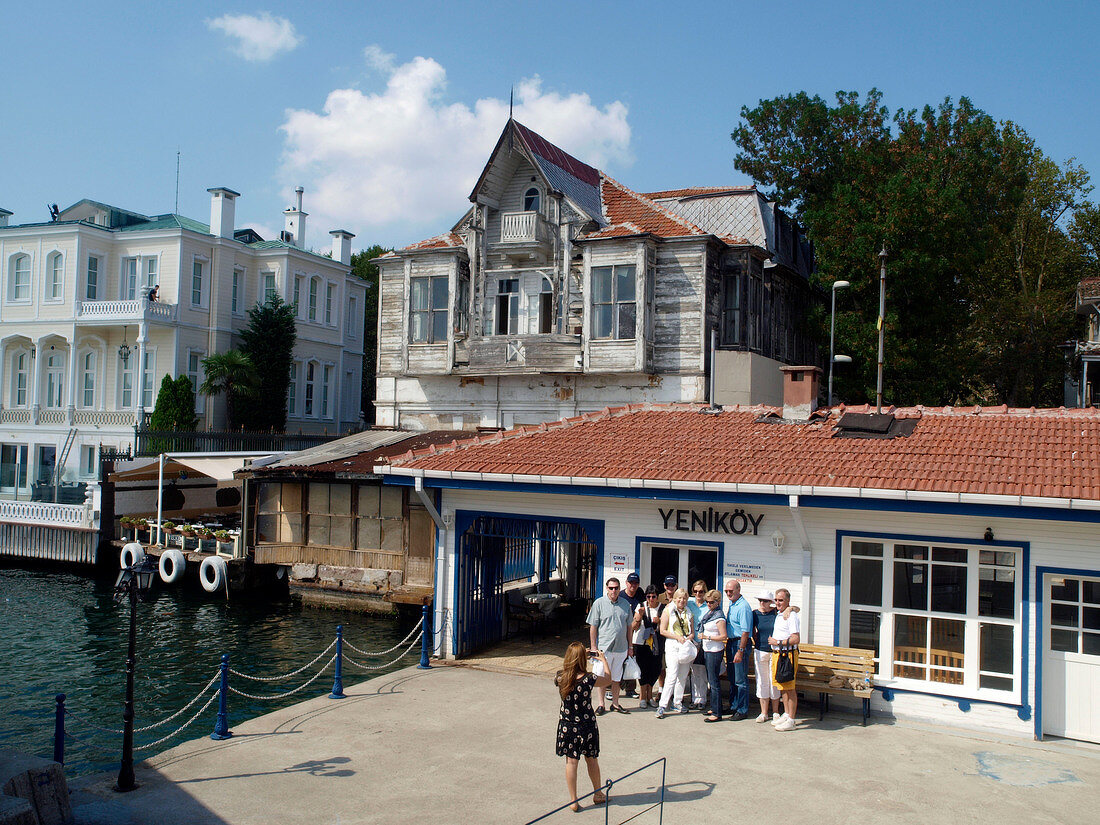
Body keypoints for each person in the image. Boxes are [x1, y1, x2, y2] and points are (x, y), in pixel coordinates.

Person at [555, 642, 610, 812]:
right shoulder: (589, 679)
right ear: (582, 660)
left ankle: (573, 800)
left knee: (571, 762)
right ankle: (598, 793)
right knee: (591, 760)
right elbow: (608, 679)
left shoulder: (560, 677)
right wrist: (603, 660)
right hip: (586, 725)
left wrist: (577, 653)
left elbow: (568, 670)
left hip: (567, 724)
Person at [586, 577, 633, 715]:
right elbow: (593, 627)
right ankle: (601, 704)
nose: (614, 590)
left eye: (616, 588)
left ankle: (615, 704)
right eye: (611, 588)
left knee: (616, 678)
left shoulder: (625, 604)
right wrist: (593, 647)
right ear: (607, 588)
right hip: (603, 649)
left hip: (621, 648)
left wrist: (630, 647)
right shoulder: (599, 603)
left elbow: (629, 627)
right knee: (601, 678)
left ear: (620, 588)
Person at [656, 587, 694, 718]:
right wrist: (677, 637)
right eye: (679, 598)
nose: (681, 601)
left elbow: (692, 631)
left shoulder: (689, 612)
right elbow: (662, 630)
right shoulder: (668, 610)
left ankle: (677, 702)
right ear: (675, 598)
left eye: (684, 598)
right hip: (672, 645)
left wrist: (689, 637)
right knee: (672, 674)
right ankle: (662, 705)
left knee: (682, 675)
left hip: (685, 646)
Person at [768, 587, 801, 731]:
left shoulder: (791, 616)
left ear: (787, 601)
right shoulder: (780, 614)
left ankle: (792, 720)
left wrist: (778, 643)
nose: (777, 603)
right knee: (782, 686)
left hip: (787, 654)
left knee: (790, 687)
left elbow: (795, 638)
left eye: (781, 600)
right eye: (776, 600)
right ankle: (786, 714)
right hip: (778, 654)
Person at [723, 579, 753, 720]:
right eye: (727, 591)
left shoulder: (743, 607)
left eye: (731, 591)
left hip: (740, 644)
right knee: (732, 677)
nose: (729, 593)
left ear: (738, 590)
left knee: (741, 679)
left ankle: (742, 710)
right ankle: (734, 706)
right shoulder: (732, 603)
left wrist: (740, 651)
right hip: (731, 642)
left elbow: (745, 632)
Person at [697, 589, 728, 722]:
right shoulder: (711, 613)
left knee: (714, 681)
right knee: (711, 680)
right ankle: (715, 707)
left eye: (711, 602)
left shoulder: (719, 617)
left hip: (715, 651)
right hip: (708, 650)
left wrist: (707, 636)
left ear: (718, 602)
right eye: (707, 602)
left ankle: (717, 713)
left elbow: (723, 636)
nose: (708, 604)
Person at [630, 585, 663, 708]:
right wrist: (639, 616)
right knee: (643, 670)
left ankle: (650, 695)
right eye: (648, 596)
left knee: (655, 669)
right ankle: (643, 696)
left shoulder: (662, 608)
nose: (651, 599)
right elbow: (633, 626)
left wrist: (659, 621)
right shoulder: (641, 606)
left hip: (655, 643)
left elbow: (666, 626)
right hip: (641, 643)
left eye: (653, 596)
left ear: (657, 597)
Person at [751, 591, 781, 723]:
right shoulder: (755, 614)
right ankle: (763, 712)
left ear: (771, 602)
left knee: (773, 681)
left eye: (765, 601)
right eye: (760, 601)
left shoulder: (777, 613)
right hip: (760, 650)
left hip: (774, 651)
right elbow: (751, 630)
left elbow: (794, 609)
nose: (762, 603)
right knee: (762, 681)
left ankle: (775, 711)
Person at [620, 572, 644, 698]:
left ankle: (630, 689)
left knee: (631, 660)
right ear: (626, 583)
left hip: (634, 633)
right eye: (631, 583)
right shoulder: (621, 596)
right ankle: (610, 689)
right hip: (621, 632)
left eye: (635, 583)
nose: (633, 586)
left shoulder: (640, 594)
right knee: (616, 661)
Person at [686, 580, 709, 710]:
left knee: (703, 672)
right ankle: (695, 699)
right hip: (692, 642)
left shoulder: (708, 605)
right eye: (695, 591)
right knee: (694, 672)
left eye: (701, 591)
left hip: (705, 642)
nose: (698, 594)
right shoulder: (689, 603)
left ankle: (702, 699)